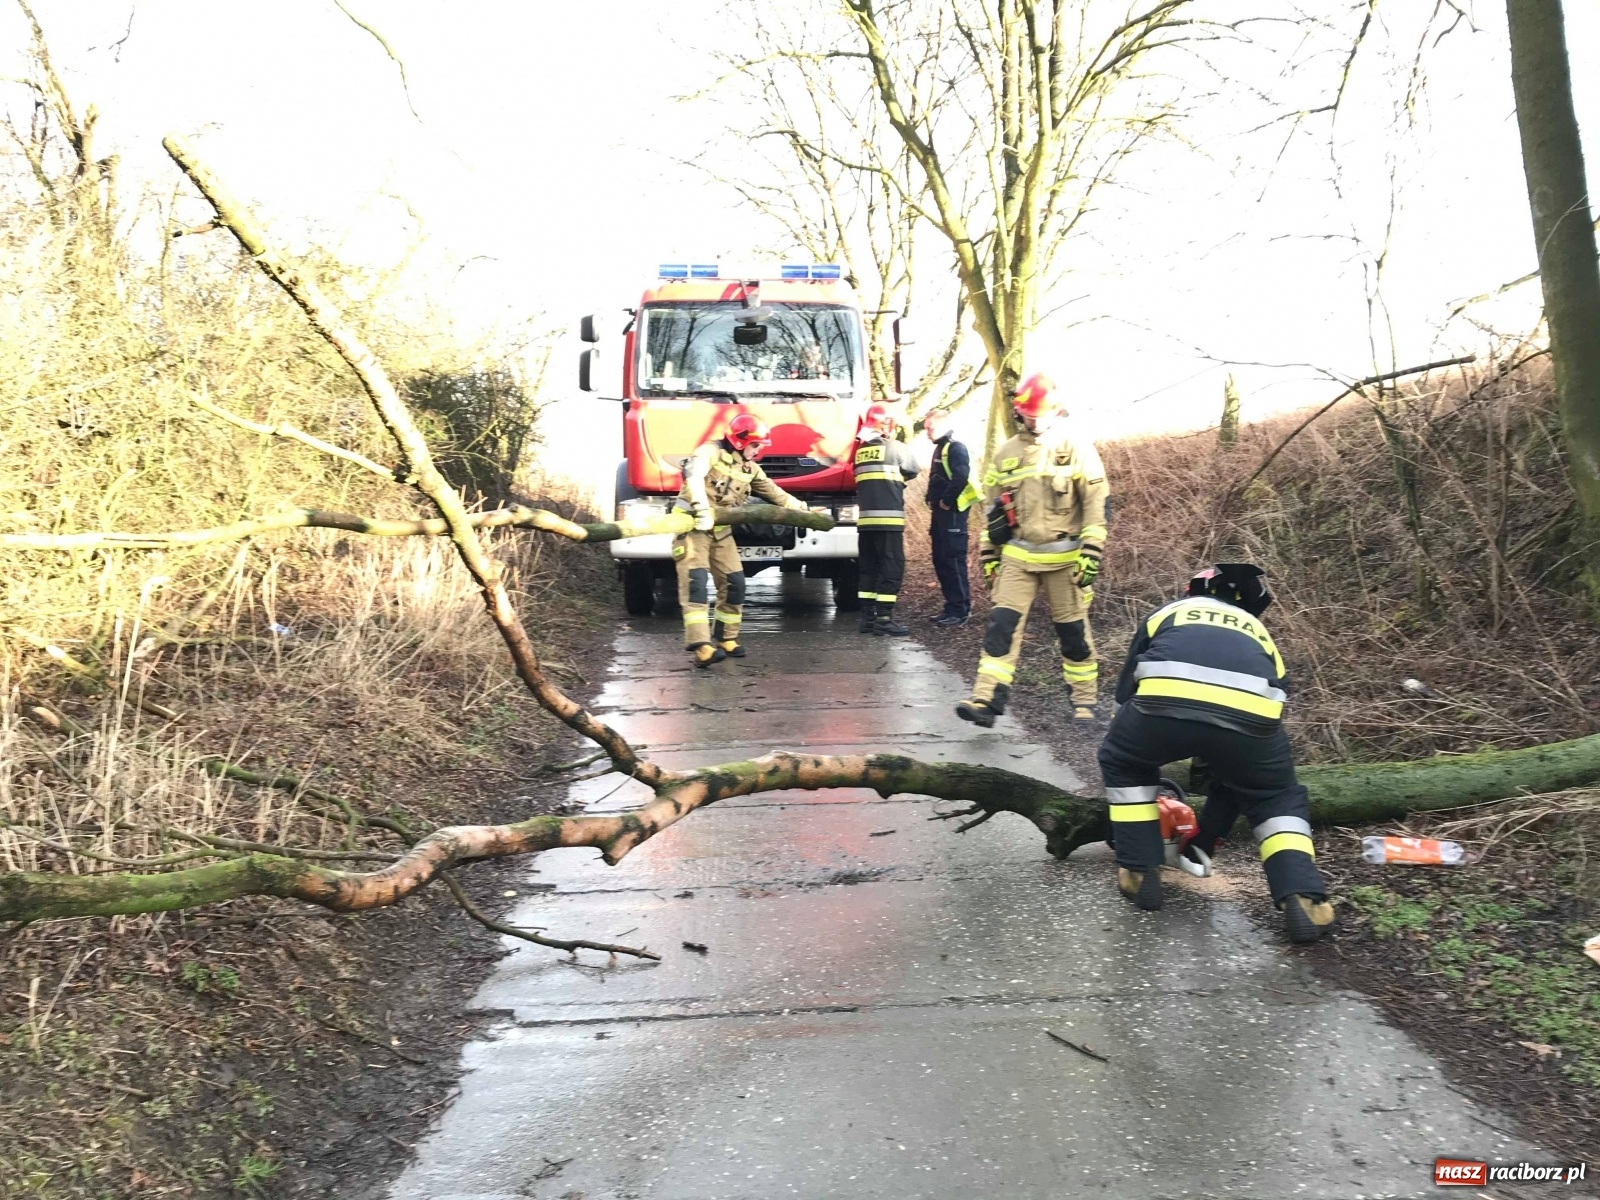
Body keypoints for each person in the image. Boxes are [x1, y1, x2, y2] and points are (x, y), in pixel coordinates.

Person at [1097, 563, 1336, 944]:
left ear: (1193, 590)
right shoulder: (1260, 632)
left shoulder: (1168, 613)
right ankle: (1305, 895)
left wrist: (1140, 738)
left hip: (1160, 707)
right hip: (1252, 723)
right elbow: (1275, 697)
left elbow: (1126, 690)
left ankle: (1139, 869)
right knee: (1272, 794)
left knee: (1124, 763)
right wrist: (1206, 838)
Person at [955, 374, 1108, 727]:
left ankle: (1085, 703)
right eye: (1029, 414)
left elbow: (1097, 503)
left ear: (1056, 411)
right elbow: (992, 512)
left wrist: (1092, 551)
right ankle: (985, 700)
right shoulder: (1005, 453)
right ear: (1018, 412)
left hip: (1065, 560)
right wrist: (989, 556)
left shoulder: (1076, 447)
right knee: (1001, 629)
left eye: (1041, 414)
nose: (1035, 420)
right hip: (1017, 559)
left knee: (1073, 634)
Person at [674, 414, 808, 667]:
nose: (758, 451)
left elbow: (775, 494)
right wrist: (701, 509)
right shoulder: (709, 452)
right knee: (696, 585)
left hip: (721, 532)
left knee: (735, 582)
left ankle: (726, 637)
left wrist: (805, 510)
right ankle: (701, 646)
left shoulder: (750, 469)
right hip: (692, 529)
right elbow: (692, 476)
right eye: (755, 446)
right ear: (739, 442)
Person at [853, 402, 921, 636]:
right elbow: (912, 469)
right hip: (889, 522)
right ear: (887, 425)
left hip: (865, 523)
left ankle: (867, 619)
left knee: (868, 569)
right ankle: (884, 619)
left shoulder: (859, 453)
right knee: (892, 568)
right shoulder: (895, 448)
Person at [922, 409, 971, 626]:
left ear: (942, 425)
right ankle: (951, 608)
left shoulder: (956, 447)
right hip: (940, 516)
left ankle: (960, 611)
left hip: (953, 515)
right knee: (941, 560)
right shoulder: (940, 449)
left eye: (930, 428)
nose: (927, 433)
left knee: (952, 561)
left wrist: (946, 501)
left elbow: (961, 476)